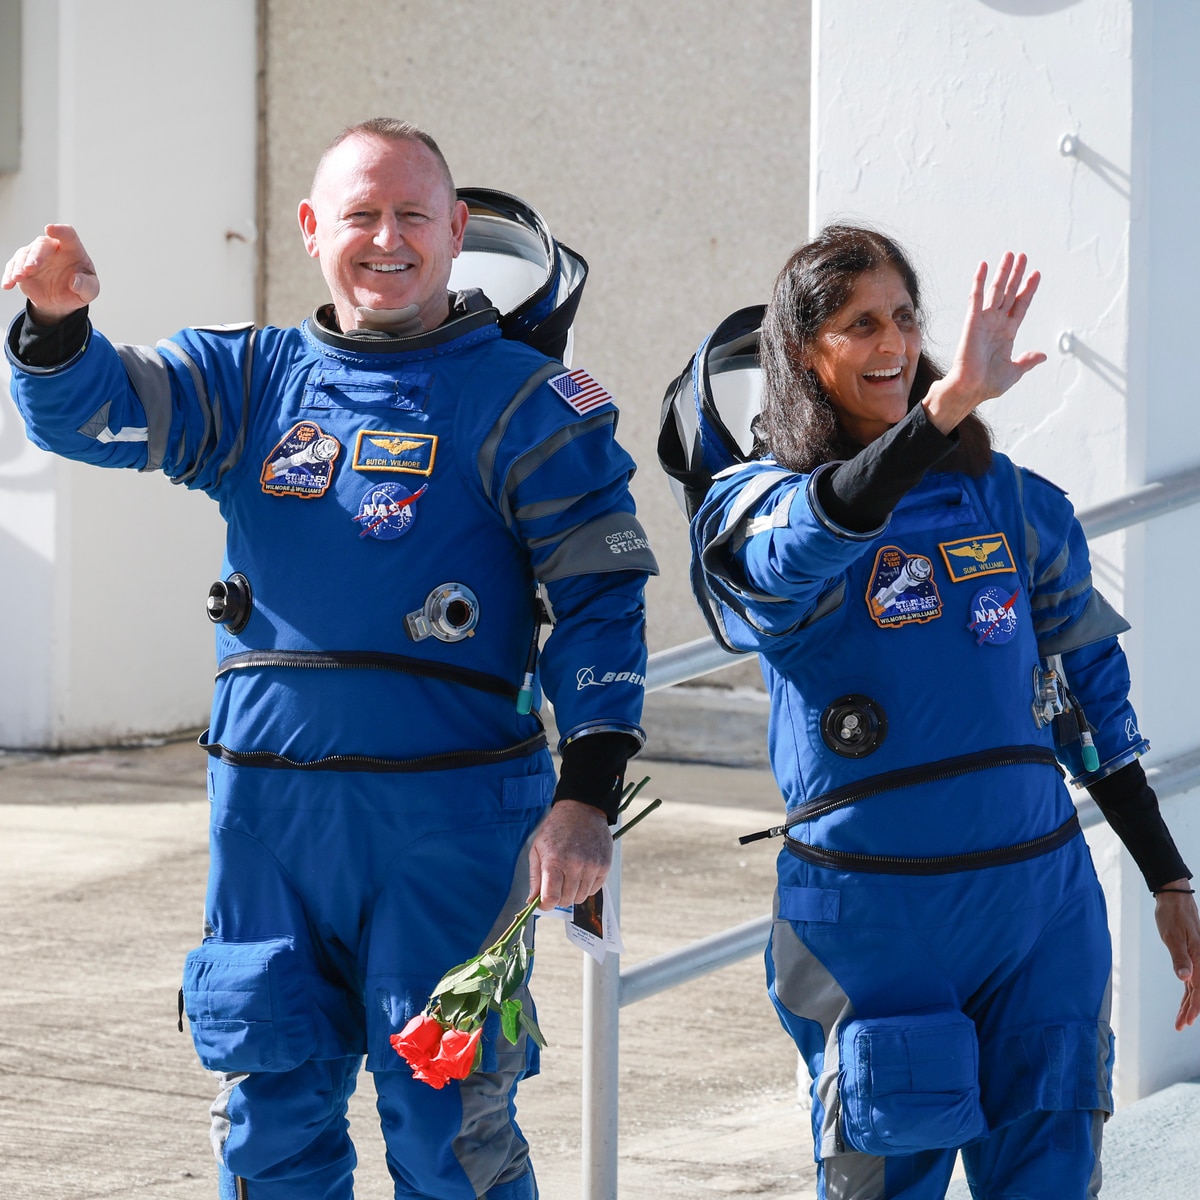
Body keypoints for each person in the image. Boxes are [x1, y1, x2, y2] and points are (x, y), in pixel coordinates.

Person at [2, 118, 657, 1200]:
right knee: (270, 1132)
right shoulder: (247, 381)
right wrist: (57, 327)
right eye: (360, 214)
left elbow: (601, 603)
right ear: (313, 229)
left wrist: (585, 796)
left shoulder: (528, 404)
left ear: (456, 232)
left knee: (450, 1132)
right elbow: (96, 411)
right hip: (269, 835)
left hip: (449, 836)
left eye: (411, 215)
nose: (386, 238)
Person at [686, 225, 1200, 1200]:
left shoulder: (1007, 502)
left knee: (1052, 1179)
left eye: (905, 318)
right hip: (876, 930)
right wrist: (942, 411)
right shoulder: (752, 503)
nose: (892, 341)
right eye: (860, 324)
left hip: (1038, 915)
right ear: (803, 352)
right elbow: (803, 545)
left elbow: (1089, 703)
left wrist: (1168, 877)